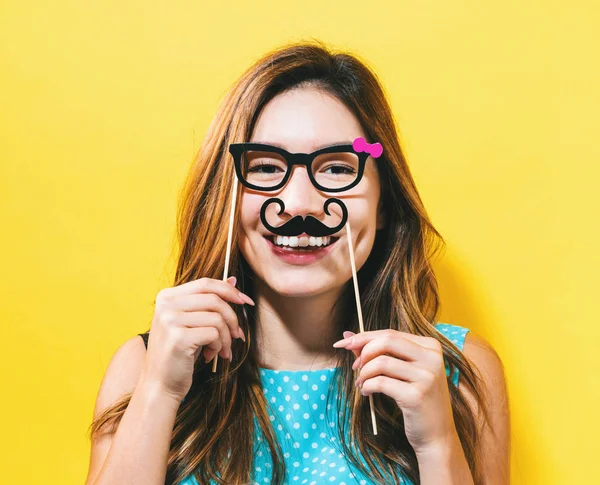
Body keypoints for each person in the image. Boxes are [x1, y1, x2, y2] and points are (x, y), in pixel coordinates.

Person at [84, 40, 510, 485]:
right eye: (267, 167)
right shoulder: (144, 365)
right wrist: (160, 390)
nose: (299, 204)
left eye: (338, 169)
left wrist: (437, 445)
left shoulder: (459, 371)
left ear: (384, 203)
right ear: (225, 199)